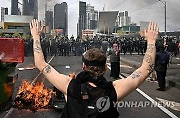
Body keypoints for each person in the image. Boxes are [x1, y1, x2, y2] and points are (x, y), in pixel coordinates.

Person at [30, 19, 158, 118]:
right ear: (105, 68)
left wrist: (36, 37)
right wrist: (151, 41)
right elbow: (146, 69)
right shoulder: (114, 89)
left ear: (84, 66)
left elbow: (41, 63)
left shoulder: (69, 85)